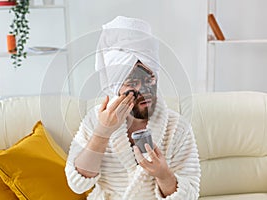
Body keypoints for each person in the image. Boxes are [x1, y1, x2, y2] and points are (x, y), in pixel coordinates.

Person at [65, 16, 200, 200]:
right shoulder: (94, 119)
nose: (143, 90)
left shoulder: (177, 127)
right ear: (116, 87)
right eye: (133, 83)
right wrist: (102, 133)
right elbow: (77, 184)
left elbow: (190, 195)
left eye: (149, 79)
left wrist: (163, 174)